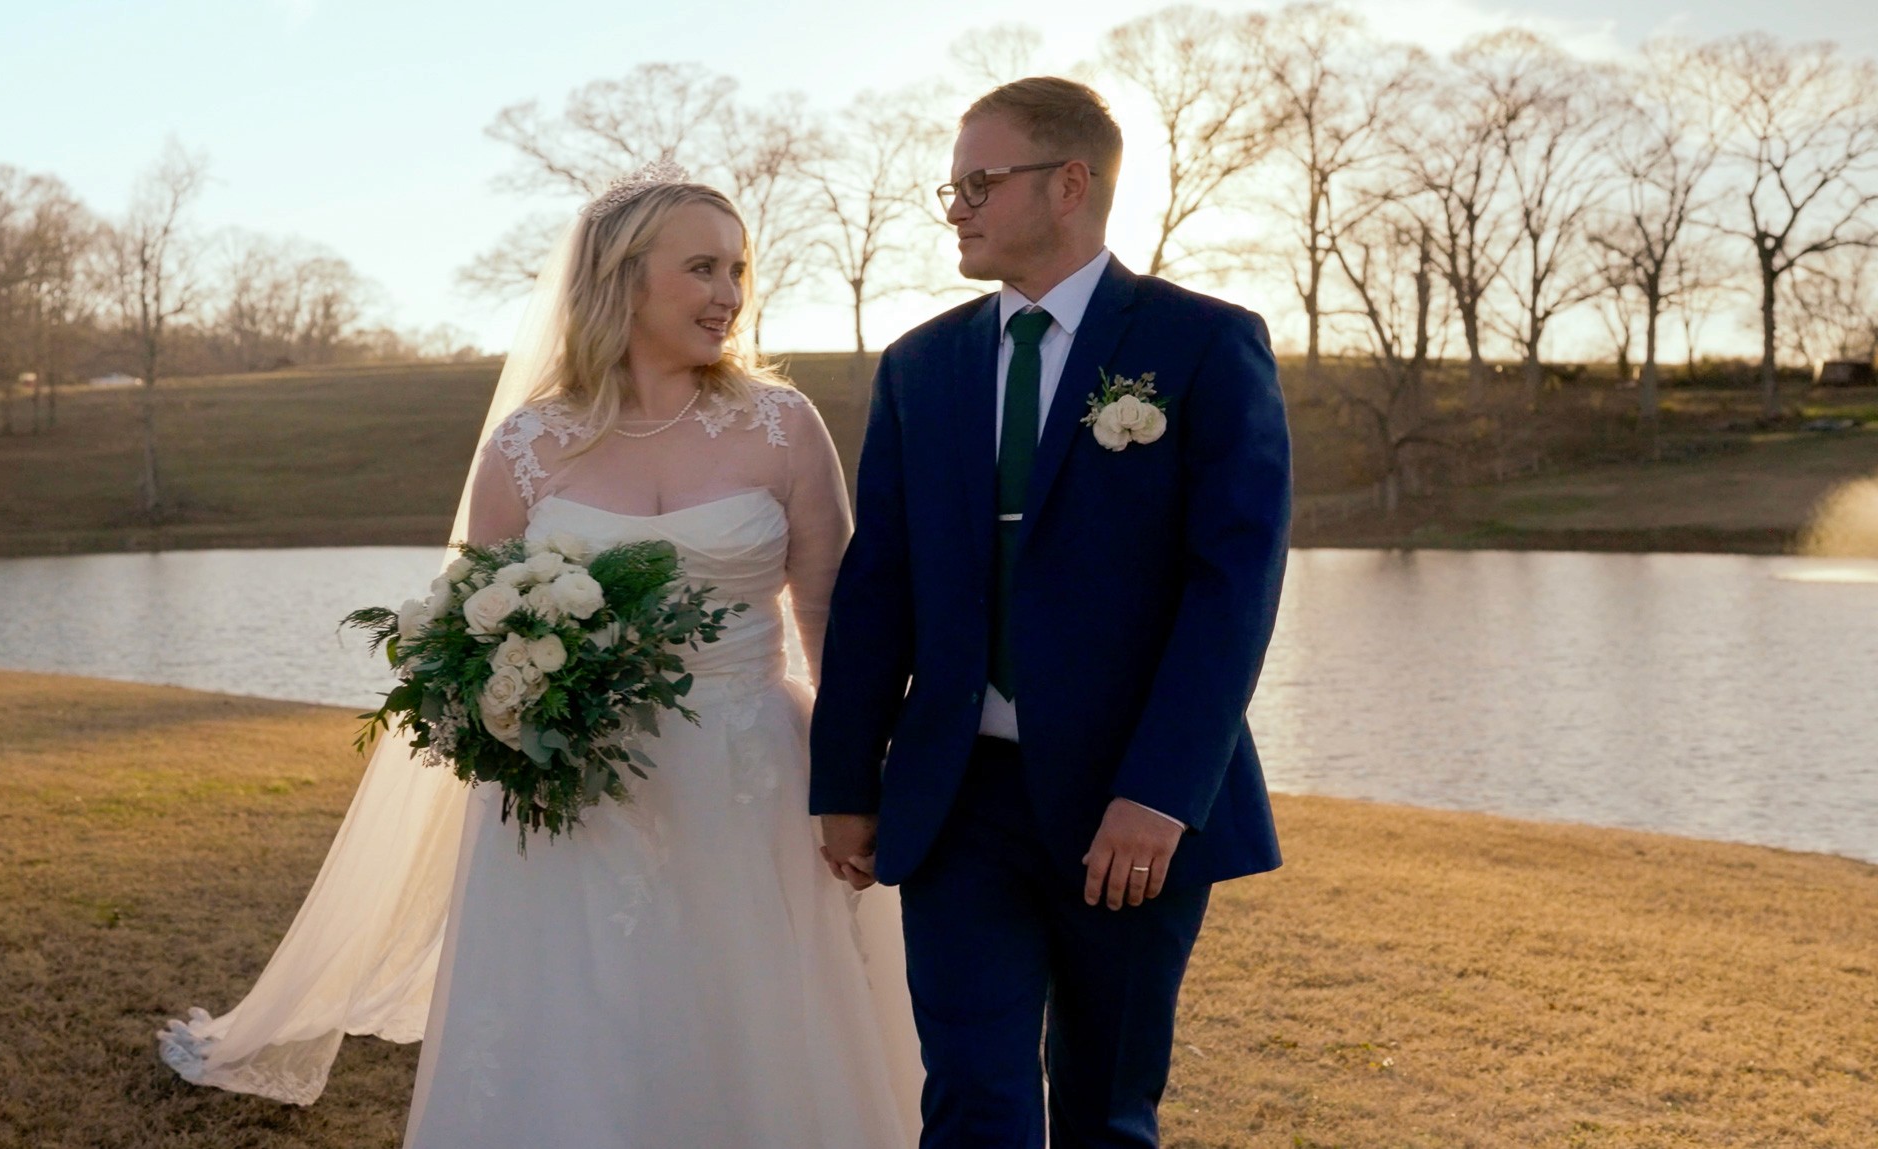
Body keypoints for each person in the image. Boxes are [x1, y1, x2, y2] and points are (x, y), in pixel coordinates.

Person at [158, 165, 922, 1148]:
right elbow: (472, 633)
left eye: (737, 268)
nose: (730, 292)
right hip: (575, 789)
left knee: (753, 1012)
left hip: (753, 777)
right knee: (587, 1016)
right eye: (700, 267)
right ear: (620, 278)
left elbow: (832, 622)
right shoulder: (525, 447)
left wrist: (851, 783)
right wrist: (517, 712)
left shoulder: (780, 427)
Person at [810, 78, 1293, 1148]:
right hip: (955, 801)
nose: (956, 208)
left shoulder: (1204, 346)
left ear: (1069, 184)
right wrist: (845, 780)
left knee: (1104, 1113)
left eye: (978, 183)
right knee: (972, 1098)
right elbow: (876, 584)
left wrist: (1159, 796)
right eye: (953, 187)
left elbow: (1233, 592)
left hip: (1129, 810)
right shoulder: (919, 368)